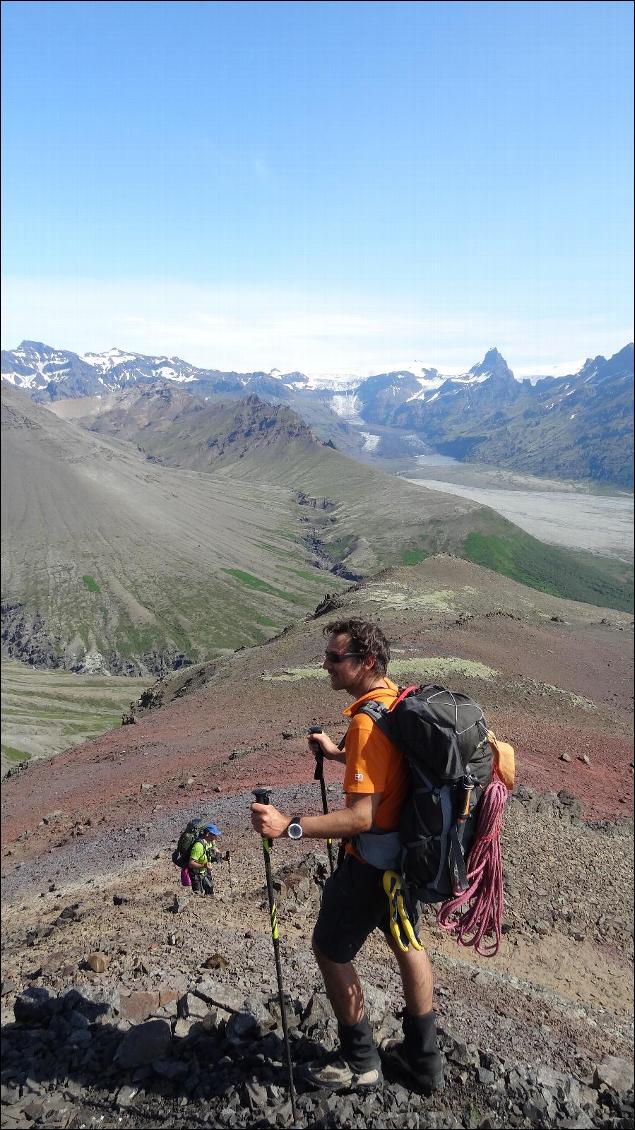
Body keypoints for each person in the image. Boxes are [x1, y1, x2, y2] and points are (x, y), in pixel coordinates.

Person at [250, 618, 444, 1093]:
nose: (327, 664)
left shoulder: (365, 721)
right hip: (405, 862)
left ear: (367, 663)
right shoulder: (395, 705)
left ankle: (360, 1062)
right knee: (409, 947)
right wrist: (339, 754)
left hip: (371, 867)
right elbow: (386, 765)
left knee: (330, 950)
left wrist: (288, 826)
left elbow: (359, 817)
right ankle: (426, 1062)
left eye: (336, 658)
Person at [188, 823, 223, 895]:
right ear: (207, 834)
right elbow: (191, 864)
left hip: (206, 872)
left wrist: (224, 858)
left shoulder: (210, 843)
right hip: (196, 874)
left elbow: (213, 853)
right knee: (198, 895)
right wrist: (204, 865)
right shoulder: (198, 846)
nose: (216, 837)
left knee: (210, 893)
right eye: (214, 835)